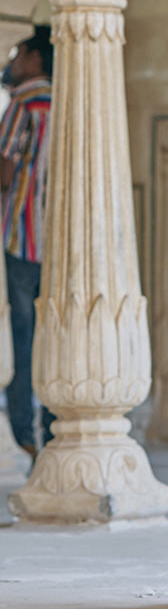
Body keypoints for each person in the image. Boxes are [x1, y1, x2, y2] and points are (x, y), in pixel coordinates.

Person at [0, 25, 54, 461]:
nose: (13, 61)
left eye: (19, 53)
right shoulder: (66, 100)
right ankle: (55, 433)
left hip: (23, 236)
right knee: (56, 334)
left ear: (36, 58)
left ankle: (23, 434)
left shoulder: (24, 103)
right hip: (61, 244)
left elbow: (5, 166)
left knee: (22, 339)